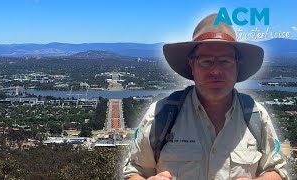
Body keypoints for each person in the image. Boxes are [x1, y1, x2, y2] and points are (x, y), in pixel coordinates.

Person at [123, 13, 290, 180]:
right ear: (192, 64)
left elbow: (278, 170)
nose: (216, 70)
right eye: (206, 61)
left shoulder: (256, 116)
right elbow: (134, 171)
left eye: (225, 61)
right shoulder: (160, 114)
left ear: (237, 65)